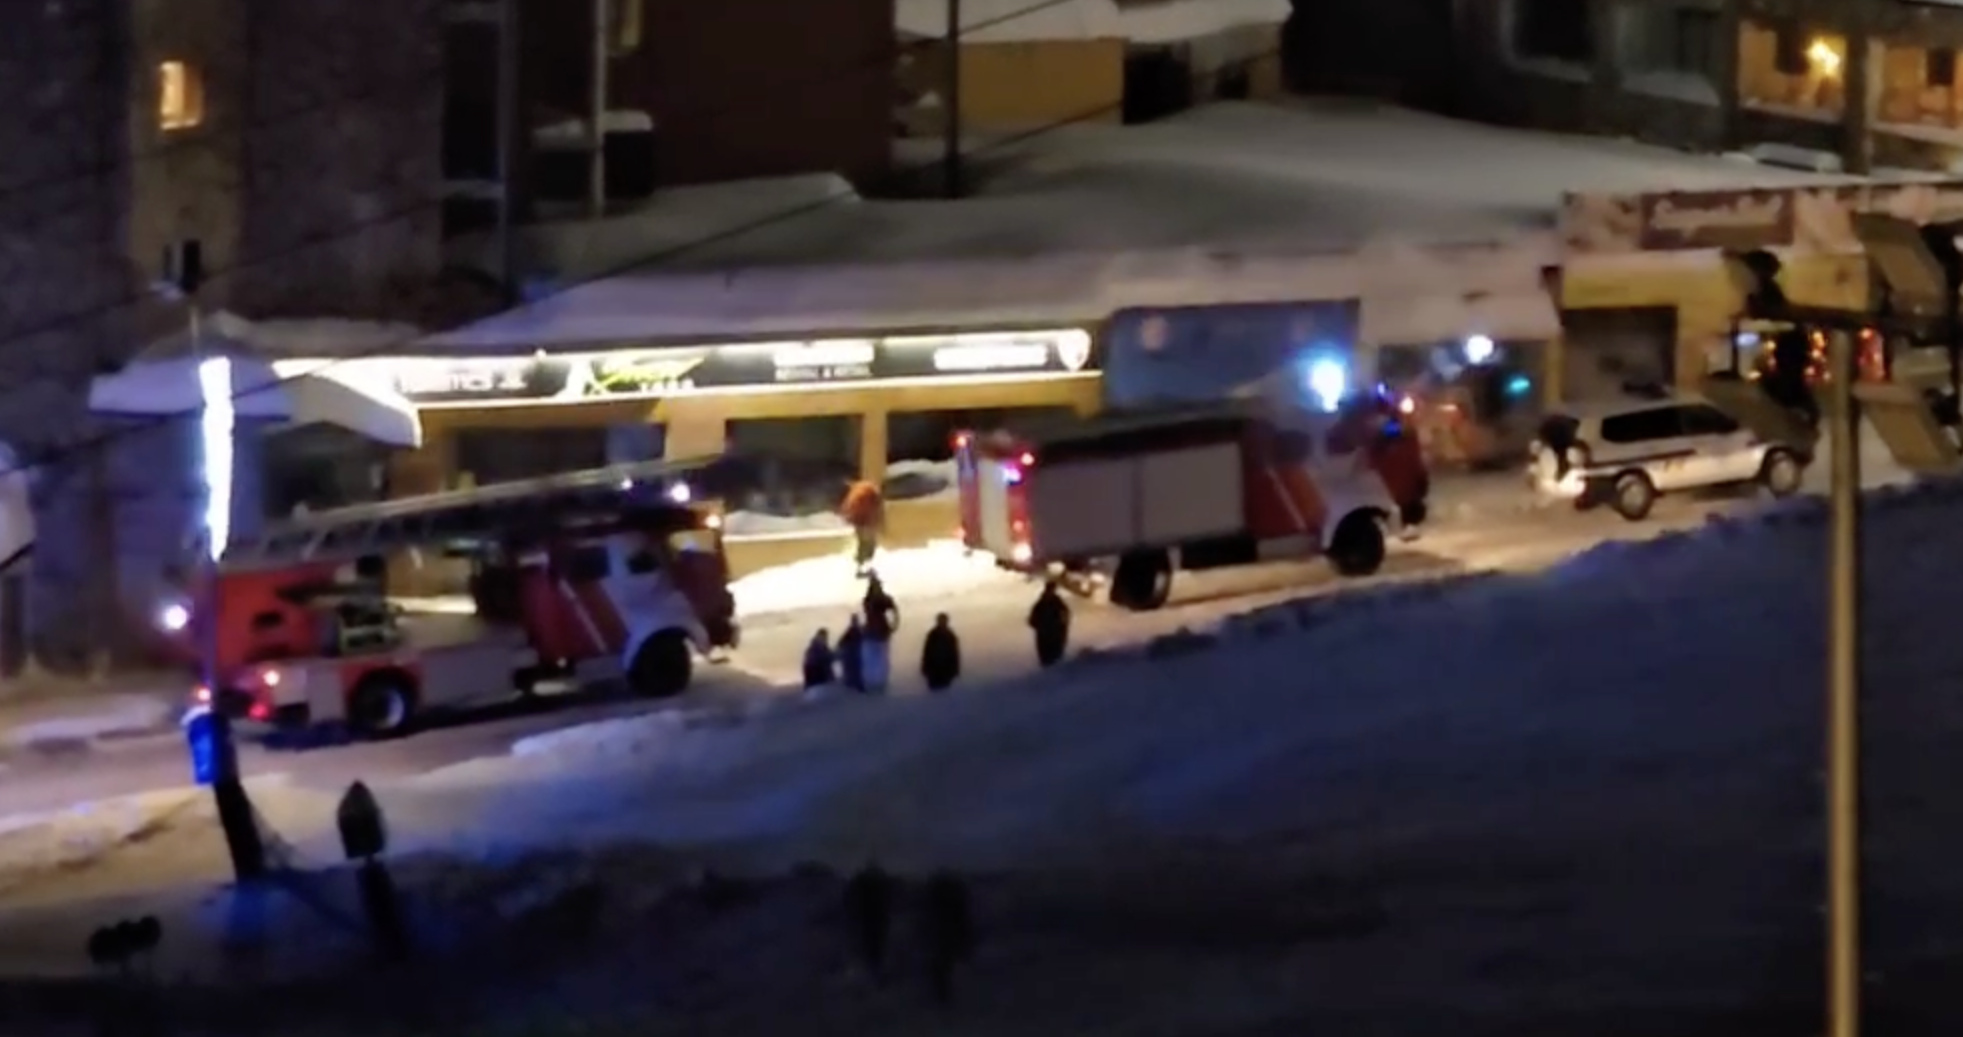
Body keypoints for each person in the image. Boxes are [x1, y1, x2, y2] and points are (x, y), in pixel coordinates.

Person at [860, 575, 899, 693]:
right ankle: (877, 681)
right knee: (879, 658)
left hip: (874, 632)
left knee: (875, 659)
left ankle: (875, 681)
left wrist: (895, 624)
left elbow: (894, 611)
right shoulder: (878, 599)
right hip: (878, 632)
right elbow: (895, 611)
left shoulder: (871, 600)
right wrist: (895, 625)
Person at [839, 479, 886, 577]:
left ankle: (860, 566)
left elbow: (848, 505)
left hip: (857, 519)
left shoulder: (860, 489)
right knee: (869, 544)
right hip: (863, 520)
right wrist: (880, 524)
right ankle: (861, 567)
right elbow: (878, 511)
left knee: (863, 543)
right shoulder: (873, 492)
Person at [1028, 580, 1071, 668]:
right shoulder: (1042, 603)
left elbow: (1065, 613)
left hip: (1054, 632)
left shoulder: (1056, 602)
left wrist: (1063, 624)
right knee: (1047, 655)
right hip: (1046, 634)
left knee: (1054, 654)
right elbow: (1033, 619)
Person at [920, 613, 961, 692]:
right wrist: (925, 667)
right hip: (934, 669)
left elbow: (954, 654)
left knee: (944, 692)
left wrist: (955, 669)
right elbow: (927, 652)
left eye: (943, 621)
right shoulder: (932, 635)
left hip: (945, 670)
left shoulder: (950, 636)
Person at [837, 616, 866, 693]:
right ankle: (858, 686)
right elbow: (841, 642)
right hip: (854, 653)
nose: (855, 623)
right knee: (856, 670)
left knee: (853, 670)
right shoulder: (856, 630)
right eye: (855, 621)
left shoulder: (852, 630)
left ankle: (853, 685)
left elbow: (841, 642)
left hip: (853, 653)